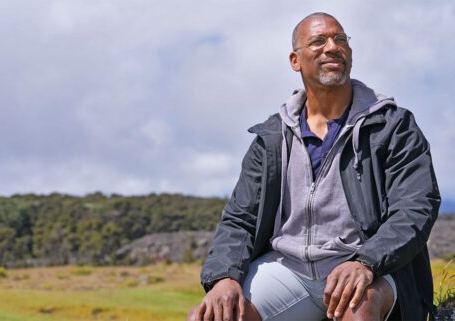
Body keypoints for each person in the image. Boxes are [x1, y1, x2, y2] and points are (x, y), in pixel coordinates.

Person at [187, 12, 440, 321]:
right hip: (287, 268)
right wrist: (222, 277)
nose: (332, 47)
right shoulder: (271, 137)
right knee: (213, 315)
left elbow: (416, 207)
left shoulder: (392, 126)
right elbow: (240, 220)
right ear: (296, 60)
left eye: (341, 40)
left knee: (357, 307)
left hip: (368, 264)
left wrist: (367, 262)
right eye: (318, 41)